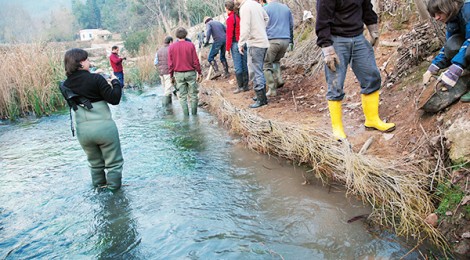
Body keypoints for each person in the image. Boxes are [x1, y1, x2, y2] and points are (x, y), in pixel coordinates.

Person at [315, 0, 396, 140]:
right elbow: (322, 19)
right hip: (336, 40)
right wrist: (327, 48)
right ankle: (337, 128)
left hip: (358, 37)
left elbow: (367, 8)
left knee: (371, 76)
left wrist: (373, 30)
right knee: (335, 83)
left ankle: (372, 119)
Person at [62, 48, 124, 190]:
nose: (89, 62)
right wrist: (115, 82)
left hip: (83, 131)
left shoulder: (65, 85)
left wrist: (93, 76)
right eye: (87, 59)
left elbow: (81, 87)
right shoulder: (96, 79)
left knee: (95, 164)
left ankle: (99, 190)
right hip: (104, 128)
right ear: (81, 63)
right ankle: (115, 196)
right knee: (114, 163)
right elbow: (114, 99)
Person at [423, 0, 470, 103]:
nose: (436, 18)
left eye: (439, 13)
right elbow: (448, 46)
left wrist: (455, 68)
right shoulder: (452, 19)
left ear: (449, 7)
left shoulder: (468, 8)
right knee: (451, 46)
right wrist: (433, 68)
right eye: (434, 14)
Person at [236, 0, 270, 108]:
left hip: (255, 43)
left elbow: (245, 28)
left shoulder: (245, 7)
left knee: (255, 71)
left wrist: (241, 43)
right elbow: (267, 18)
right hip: (262, 41)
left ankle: (261, 99)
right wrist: (260, 29)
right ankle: (260, 95)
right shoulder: (257, 5)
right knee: (256, 70)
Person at [168, 27, 203, 116]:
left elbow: (170, 64)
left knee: (182, 96)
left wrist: (171, 76)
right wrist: (199, 72)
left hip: (178, 74)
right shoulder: (190, 45)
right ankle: (194, 116)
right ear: (186, 34)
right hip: (191, 73)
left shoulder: (171, 47)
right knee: (193, 95)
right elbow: (195, 61)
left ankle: (186, 116)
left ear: (176, 36)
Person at [263, 0, 294, 97]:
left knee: (266, 65)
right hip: (285, 40)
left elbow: (262, 26)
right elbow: (291, 26)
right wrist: (291, 41)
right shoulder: (286, 8)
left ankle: (272, 89)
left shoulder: (265, 9)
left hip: (272, 40)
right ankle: (279, 79)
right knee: (276, 61)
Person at [225, 0, 249, 94]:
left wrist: (227, 49)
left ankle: (240, 86)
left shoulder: (230, 19)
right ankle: (246, 86)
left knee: (238, 65)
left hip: (236, 44)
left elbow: (229, 35)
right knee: (244, 64)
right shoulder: (239, 16)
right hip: (244, 42)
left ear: (227, 8)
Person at [154, 36, 174, 106]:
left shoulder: (158, 51)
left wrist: (160, 68)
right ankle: (165, 109)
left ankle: (170, 107)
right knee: (167, 91)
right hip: (168, 72)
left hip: (161, 73)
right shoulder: (171, 49)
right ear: (170, 42)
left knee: (166, 90)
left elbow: (155, 63)